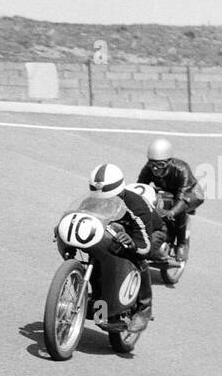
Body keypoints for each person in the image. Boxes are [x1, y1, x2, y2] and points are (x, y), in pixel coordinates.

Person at [83, 163, 154, 331]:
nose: (103, 201)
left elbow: (146, 247)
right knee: (98, 259)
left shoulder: (136, 205)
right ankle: (104, 309)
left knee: (139, 260)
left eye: (107, 197)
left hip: (148, 235)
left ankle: (144, 308)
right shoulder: (94, 199)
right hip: (113, 236)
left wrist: (132, 244)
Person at [136, 137, 203, 257]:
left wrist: (171, 213)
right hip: (168, 190)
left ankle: (181, 244)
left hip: (191, 192)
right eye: (152, 164)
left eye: (160, 164)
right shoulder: (148, 169)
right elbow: (140, 187)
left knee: (180, 208)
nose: (155, 168)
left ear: (169, 162)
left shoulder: (182, 169)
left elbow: (182, 196)